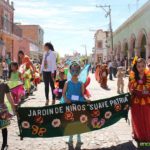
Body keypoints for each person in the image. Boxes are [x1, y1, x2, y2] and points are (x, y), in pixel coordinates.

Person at [62, 62, 89, 147]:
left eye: (77, 70)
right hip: (70, 106)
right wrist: (66, 99)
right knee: (71, 122)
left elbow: (82, 94)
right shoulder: (67, 83)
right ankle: (70, 139)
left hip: (78, 105)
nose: (75, 72)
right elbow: (63, 93)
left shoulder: (81, 83)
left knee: (78, 121)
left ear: (79, 71)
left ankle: (79, 138)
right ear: (70, 71)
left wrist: (86, 99)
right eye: (73, 70)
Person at [128, 58, 150, 142]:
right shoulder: (133, 76)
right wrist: (134, 90)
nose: (141, 68)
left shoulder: (148, 74)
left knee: (146, 118)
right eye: (139, 66)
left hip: (146, 101)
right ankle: (138, 135)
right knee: (137, 118)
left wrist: (143, 92)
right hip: (136, 101)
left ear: (145, 65)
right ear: (136, 67)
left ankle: (146, 136)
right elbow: (130, 87)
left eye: (143, 66)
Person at [0, 81, 16, 150]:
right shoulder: (3, 84)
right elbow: (10, 98)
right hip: (2, 108)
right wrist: (14, 109)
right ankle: (4, 144)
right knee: (4, 127)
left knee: (4, 127)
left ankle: (5, 144)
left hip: (2, 109)